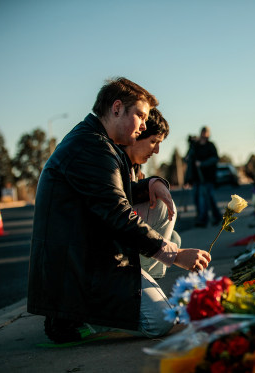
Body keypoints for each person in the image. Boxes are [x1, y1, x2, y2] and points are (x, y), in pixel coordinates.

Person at [28, 77, 211, 343]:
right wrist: (176, 255)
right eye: (140, 115)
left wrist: (150, 184)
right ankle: (74, 319)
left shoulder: (98, 142)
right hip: (78, 271)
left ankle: (132, 288)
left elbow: (106, 193)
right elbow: (116, 212)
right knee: (160, 321)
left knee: (159, 207)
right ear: (116, 108)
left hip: (91, 253)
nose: (145, 125)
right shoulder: (90, 148)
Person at [122, 107, 181, 281]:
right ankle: (141, 280)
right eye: (154, 141)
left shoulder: (133, 166)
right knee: (163, 208)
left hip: (125, 241)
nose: (156, 151)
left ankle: (148, 278)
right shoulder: (113, 161)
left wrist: (151, 182)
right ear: (137, 134)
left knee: (175, 239)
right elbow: (115, 196)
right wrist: (150, 184)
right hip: (108, 253)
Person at [185, 126, 223, 227]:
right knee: (199, 198)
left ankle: (204, 219)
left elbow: (215, 159)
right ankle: (215, 217)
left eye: (206, 132)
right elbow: (188, 158)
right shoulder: (195, 146)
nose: (204, 134)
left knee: (205, 198)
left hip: (208, 177)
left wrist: (202, 163)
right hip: (196, 177)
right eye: (203, 132)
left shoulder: (210, 146)